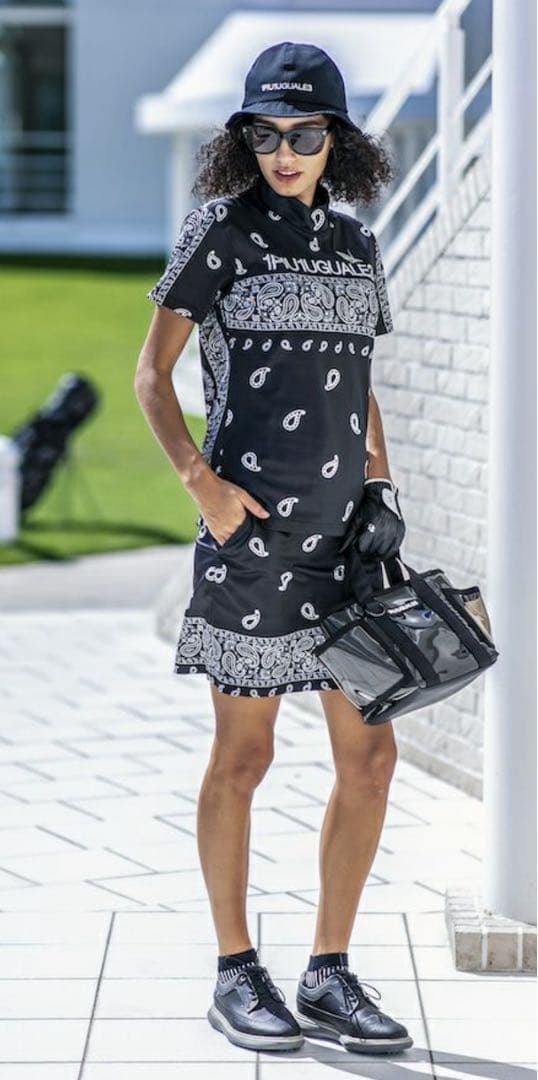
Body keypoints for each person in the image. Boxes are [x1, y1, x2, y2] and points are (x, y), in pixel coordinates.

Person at [135, 40, 412, 1057]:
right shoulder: (219, 231)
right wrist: (202, 489)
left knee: (370, 758)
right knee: (244, 757)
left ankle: (328, 971)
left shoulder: (356, 244)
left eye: (303, 134)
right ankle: (234, 968)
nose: (284, 153)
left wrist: (381, 484)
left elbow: (359, 383)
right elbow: (150, 376)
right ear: (242, 141)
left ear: (337, 140)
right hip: (250, 542)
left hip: (344, 549)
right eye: (265, 134)